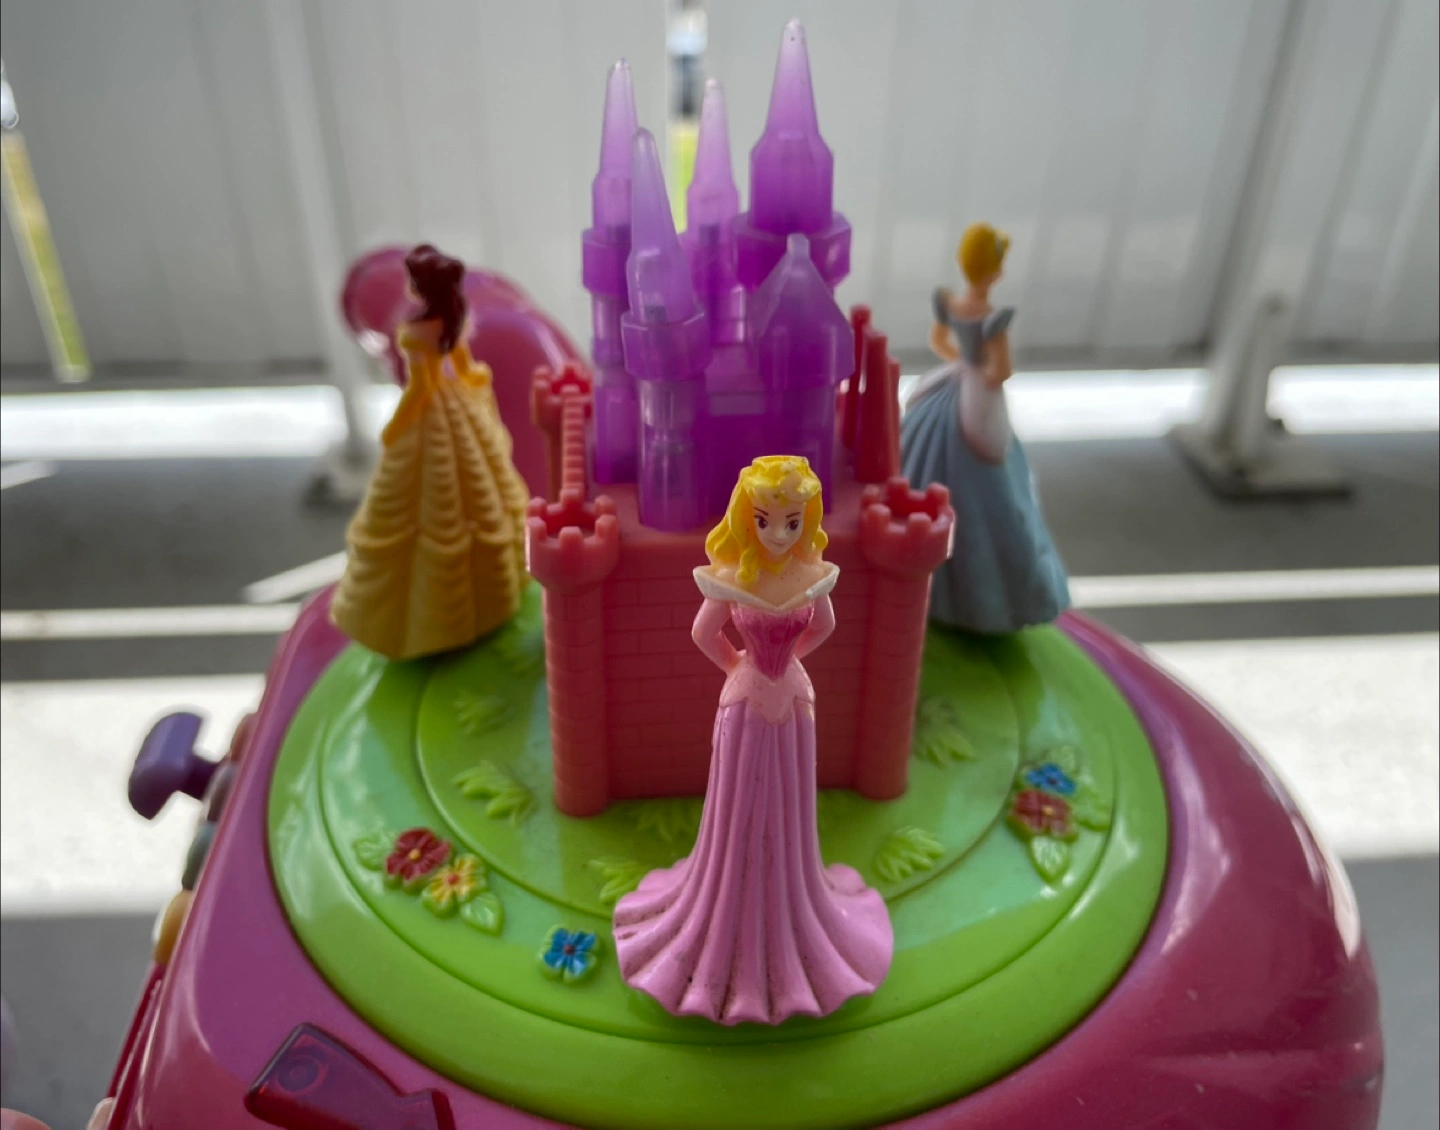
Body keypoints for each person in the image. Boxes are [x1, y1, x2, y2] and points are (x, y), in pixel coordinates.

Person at [612, 456, 893, 1025]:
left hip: (791, 697)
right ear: (747, 517)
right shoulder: (734, 575)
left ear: (807, 518)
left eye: (792, 521)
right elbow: (703, 632)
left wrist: (783, 664)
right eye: (766, 520)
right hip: (746, 700)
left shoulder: (810, 573)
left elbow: (824, 626)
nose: (779, 534)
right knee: (740, 807)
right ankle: (726, 917)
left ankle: (790, 913)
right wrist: (741, 666)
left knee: (786, 809)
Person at [899, 223, 1070, 634]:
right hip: (978, 393)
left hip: (953, 381)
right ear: (994, 271)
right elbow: (1001, 372)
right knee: (993, 472)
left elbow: (940, 342)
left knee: (920, 455)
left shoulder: (952, 304)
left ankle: (929, 583)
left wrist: (961, 361)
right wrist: (978, 367)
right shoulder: (993, 319)